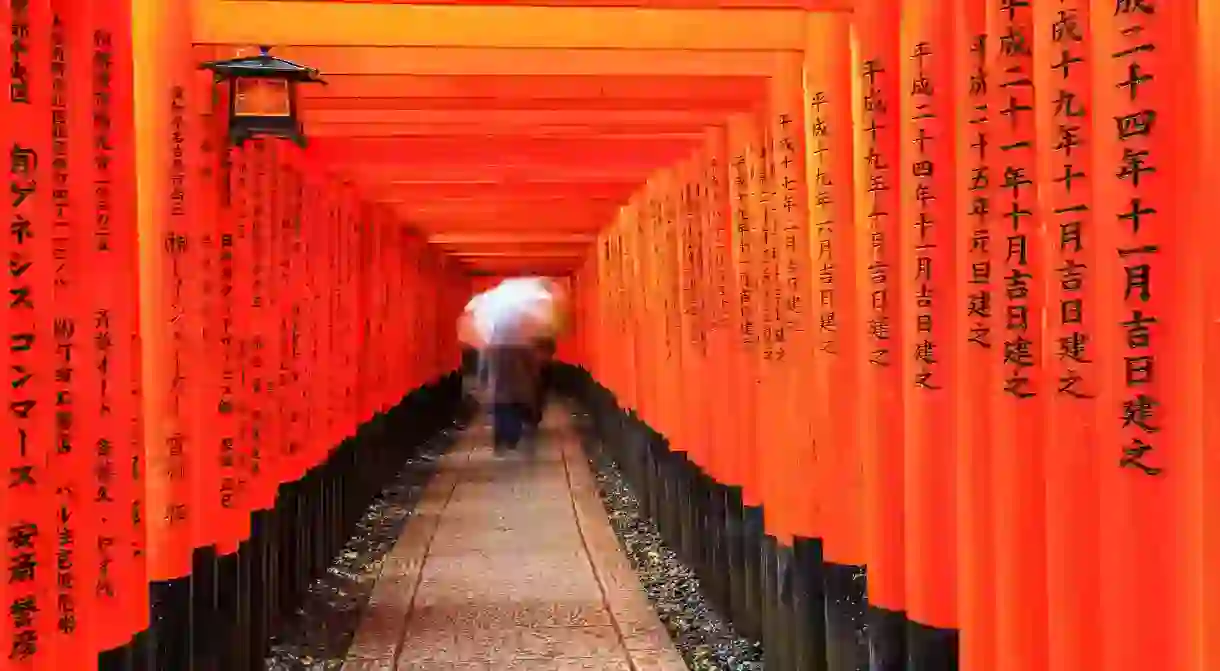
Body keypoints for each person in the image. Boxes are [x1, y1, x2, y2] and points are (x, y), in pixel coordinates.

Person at [482, 341, 543, 454]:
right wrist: (534, 379)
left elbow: (485, 366)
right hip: (517, 386)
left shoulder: (493, 347)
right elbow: (533, 366)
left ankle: (500, 440)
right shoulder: (524, 346)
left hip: (499, 386)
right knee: (514, 412)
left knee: (500, 413)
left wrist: (484, 381)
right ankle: (511, 440)